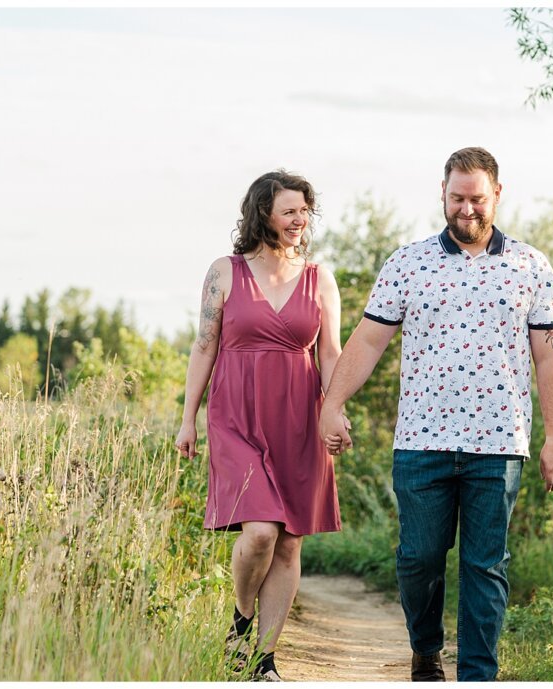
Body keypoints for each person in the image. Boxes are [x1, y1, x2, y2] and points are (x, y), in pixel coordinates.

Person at [318, 147, 553, 682]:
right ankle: (426, 649)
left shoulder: (531, 266)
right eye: (457, 198)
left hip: (500, 442)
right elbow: (366, 342)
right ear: (443, 194)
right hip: (421, 440)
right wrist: (332, 403)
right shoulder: (407, 264)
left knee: (486, 565)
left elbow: (550, 357)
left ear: (497, 195)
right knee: (419, 559)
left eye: (477, 199)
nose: (467, 209)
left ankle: (478, 674)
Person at [175, 170, 345, 682]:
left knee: (289, 542)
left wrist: (333, 408)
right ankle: (240, 620)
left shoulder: (320, 278)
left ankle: (263, 660)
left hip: (298, 418)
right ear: (263, 213)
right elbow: (204, 346)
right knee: (259, 533)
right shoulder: (224, 272)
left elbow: (330, 352)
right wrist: (188, 420)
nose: (300, 220)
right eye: (290, 210)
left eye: (304, 212)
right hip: (236, 417)